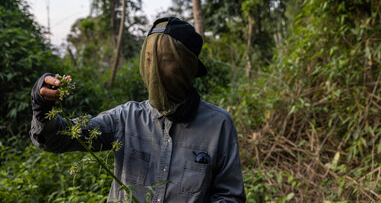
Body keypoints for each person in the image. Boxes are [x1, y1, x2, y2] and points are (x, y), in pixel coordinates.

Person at [30, 17, 246, 202]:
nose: (155, 71)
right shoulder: (124, 119)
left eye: (166, 60)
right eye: (150, 60)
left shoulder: (218, 125)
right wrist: (42, 105)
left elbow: (230, 195)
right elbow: (57, 139)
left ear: (188, 66)